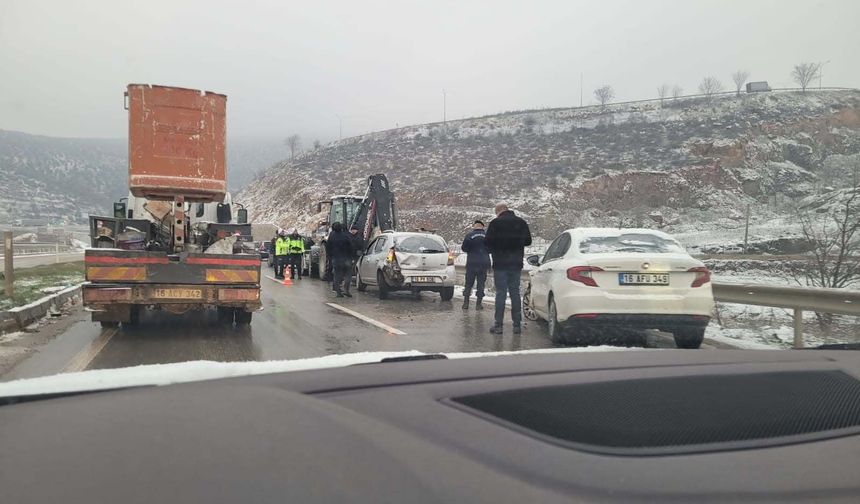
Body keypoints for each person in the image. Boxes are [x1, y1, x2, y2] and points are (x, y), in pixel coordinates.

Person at [484, 203, 532, 334]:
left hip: (500, 264)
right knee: (515, 293)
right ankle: (517, 325)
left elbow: (487, 244)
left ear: (498, 211)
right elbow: (528, 241)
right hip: (515, 263)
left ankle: (498, 325)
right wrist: (516, 243)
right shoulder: (521, 222)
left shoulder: (495, 223)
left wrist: (497, 247)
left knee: (501, 294)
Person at [461, 220, 490, 310]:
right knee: (481, 284)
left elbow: (464, 248)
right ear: (482, 227)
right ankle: (478, 304)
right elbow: (491, 249)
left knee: (469, 283)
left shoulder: (469, 236)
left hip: (471, 263)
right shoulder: (488, 236)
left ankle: (466, 303)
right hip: (483, 263)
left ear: (474, 226)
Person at [325, 222, 354, 297]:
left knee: (337, 276)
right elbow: (350, 246)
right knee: (348, 275)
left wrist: (330, 257)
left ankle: (338, 292)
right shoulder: (346, 235)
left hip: (336, 259)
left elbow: (328, 247)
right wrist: (351, 257)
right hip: (346, 258)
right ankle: (346, 290)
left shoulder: (331, 236)